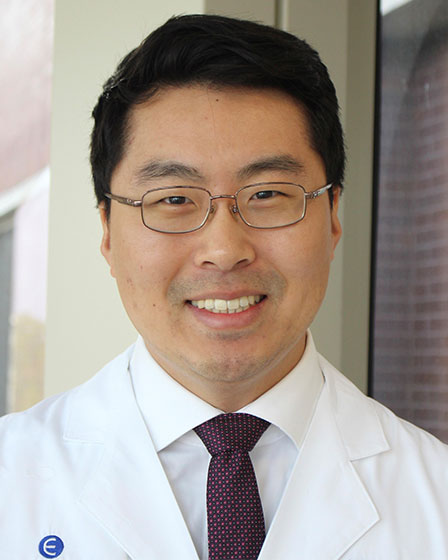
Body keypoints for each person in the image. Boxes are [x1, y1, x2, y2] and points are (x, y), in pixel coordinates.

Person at [1, 14, 447, 560]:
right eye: (173, 199)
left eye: (267, 194)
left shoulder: (436, 498)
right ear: (108, 233)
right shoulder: (11, 477)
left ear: (333, 217)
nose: (224, 249)